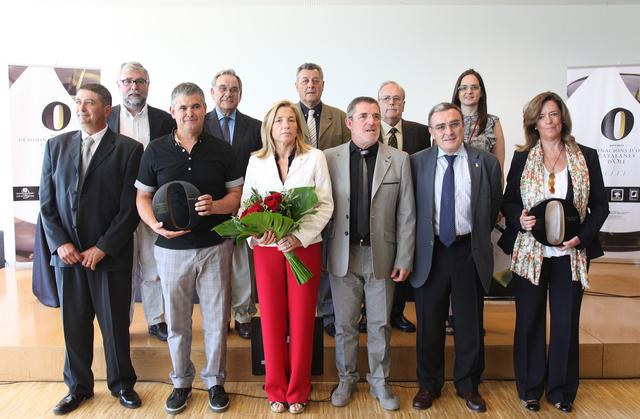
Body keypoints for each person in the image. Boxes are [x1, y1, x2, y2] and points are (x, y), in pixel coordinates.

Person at [135, 82, 243, 415]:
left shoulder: (223, 150)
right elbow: (142, 197)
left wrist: (217, 206)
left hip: (215, 246)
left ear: (204, 109)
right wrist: (154, 225)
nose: (189, 113)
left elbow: (236, 197)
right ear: (173, 111)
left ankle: (215, 382)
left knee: (216, 320)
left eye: (196, 106)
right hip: (171, 250)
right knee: (177, 323)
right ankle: (181, 382)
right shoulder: (155, 150)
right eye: (183, 107)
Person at [499, 92, 609, 413]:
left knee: (565, 323)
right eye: (542, 116)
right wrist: (519, 218)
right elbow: (508, 201)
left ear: (563, 118)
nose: (548, 121)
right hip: (530, 254)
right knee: (529, 321)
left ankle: (561, 391)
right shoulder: (522, 157)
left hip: (570, 257)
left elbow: (600, 205)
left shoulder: (586, 157)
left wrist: (582, 237)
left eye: (554, 114)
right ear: (533, 123)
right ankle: (530, 388)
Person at [40, 83, 143, 414]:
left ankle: (122, 384)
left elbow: (129, 208)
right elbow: (46, 204)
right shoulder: (55, 146)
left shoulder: (128, 149)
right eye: (78, 102)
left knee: (114, 326)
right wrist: (60, 243)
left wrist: (103, 247)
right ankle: (78, 387)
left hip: (109, 257)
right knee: (74, 326)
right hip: (68, 257)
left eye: (89, 102)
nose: (81, 108)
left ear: (107, 110)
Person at [324, 97, 415, 411]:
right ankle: (346, 379)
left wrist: (404, 257)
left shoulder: (399, 159)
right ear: (349, 122)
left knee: (380, 324)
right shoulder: (328, 158)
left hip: (382, 257)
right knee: (344, 325)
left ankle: (380, 381)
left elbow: (407, 213)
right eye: (363, 116)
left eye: (375, 116)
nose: (371, 122)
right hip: (343, 254)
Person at [242, 99, 333, 414]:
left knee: (303, 319)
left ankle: (298, 390)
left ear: (299, 126)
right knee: (271, 320)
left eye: (291, 120)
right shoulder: (256, 161)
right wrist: (257, 234)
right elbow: (246, 205)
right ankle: (276, 389)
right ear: (269, 126)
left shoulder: (315, 157)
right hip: (267, 251)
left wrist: (298, 237)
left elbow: (325, 204)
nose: (286, 125)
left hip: (304, 248)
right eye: (279, 120)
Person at [409, 103, 502, 413]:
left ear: (463, 126)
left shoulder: (486, 162)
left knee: (469, 323)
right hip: (430, 251)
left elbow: (491, 208)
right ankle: (428, 385)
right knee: (429, 323)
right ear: (431, 132)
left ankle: (468, 385)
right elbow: (409, 210)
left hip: (468, 250)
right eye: (440, 126)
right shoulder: (416, 163)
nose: (448, 131)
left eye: (453, 124)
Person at [107, 61, 175, 342]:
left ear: (148, 85)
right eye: (128, 81)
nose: (133, 86)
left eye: (139, 81)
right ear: (119, 85)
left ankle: (156, 320)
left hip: (152, 205)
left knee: (152, 267)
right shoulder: (107, 117)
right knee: (122, 269)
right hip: (117, 208)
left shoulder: (164, 121)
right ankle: (121, 323)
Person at [204, 69, 262, 340]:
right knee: (213, 270)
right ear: (212, 92)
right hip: (209, 205)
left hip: (243, 205)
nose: (228, 93)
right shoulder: (199, 122)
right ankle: (219, 318)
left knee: (241, 267)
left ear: (241, 94)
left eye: (234, 89)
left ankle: (243, 316)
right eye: (223, 88)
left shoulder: (255, 127)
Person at [447, 68, 506, 335]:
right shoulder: (447, 118)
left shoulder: (492, 122)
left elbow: (499, 166)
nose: (468, 92)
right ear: (457, 92)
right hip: (452, 200)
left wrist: (497, 204)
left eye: (474, 87)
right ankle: (450, 316)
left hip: (481, 202)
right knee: (449, 261)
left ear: (481, 92)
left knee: (475, 263)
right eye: (463, 87)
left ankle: (471, 320)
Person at [295, 62, 350, 337]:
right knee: (300, 253)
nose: (311, 85)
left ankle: (328, 312)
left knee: (328, 255)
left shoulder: (340, 117)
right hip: (296, 199)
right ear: (296, 85)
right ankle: (300, 314)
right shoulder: (287, 115)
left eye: (315, 80)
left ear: (323, 85)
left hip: (333, 194)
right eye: (305, 80)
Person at [374, 80, 430, 334]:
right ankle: (371, 314)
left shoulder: (420, 132)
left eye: (397, 99)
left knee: (403, 259)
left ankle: (396, 313)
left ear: (404, 104)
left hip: (409, 206)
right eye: (386, 99)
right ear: (378, 104)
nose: (391, 103)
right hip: (377, 208)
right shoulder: (369, 129)